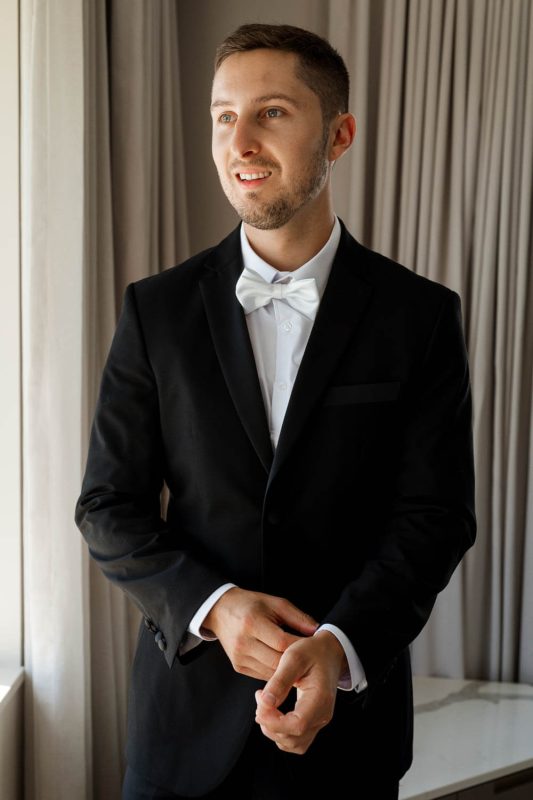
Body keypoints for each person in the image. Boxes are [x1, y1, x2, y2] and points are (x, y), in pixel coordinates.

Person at [75, 22, 476, 800]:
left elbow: (434, 517)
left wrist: (339, 646)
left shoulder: (420, 317)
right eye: (224, 116)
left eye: (272, 113)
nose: (241, 142)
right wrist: (215, 609)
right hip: (181, 738)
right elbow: (107, 507)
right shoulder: (155, 311)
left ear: (339, 134)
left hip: (347, 739)